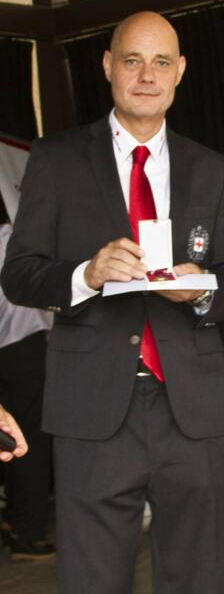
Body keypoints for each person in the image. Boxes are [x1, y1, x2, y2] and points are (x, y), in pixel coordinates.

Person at [1, 11, 224, 593]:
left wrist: (201, 289)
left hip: (193, 408)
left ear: (180, 70)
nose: (147, 75)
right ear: (108, 66)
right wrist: (85, 275)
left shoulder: (211, 168)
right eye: (132, 60)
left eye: (161, 62)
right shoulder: (56, 159)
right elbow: (19, 276)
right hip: (91, 406)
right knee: (92, 579)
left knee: (199, 577)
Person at [0, 192, 54, 559]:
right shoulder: (11, 239)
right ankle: (27, 532)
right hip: (23, 346)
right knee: (28, 440)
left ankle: (19, 524)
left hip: (13, 346)